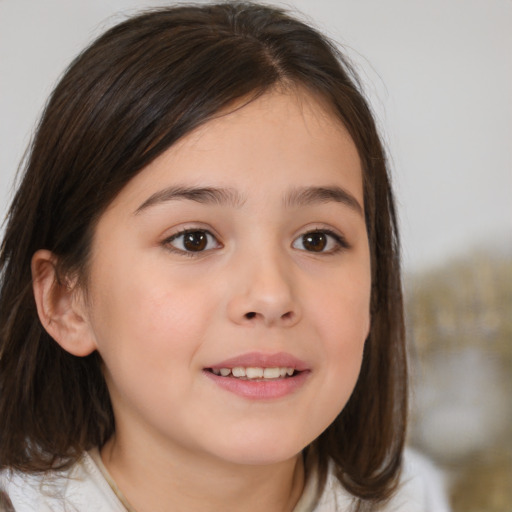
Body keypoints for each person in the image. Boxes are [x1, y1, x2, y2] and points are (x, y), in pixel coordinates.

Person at [0, 2, 450, 511]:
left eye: (317, 239)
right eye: (193, 239)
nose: (271, 296)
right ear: (66, 300)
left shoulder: (417, 496)